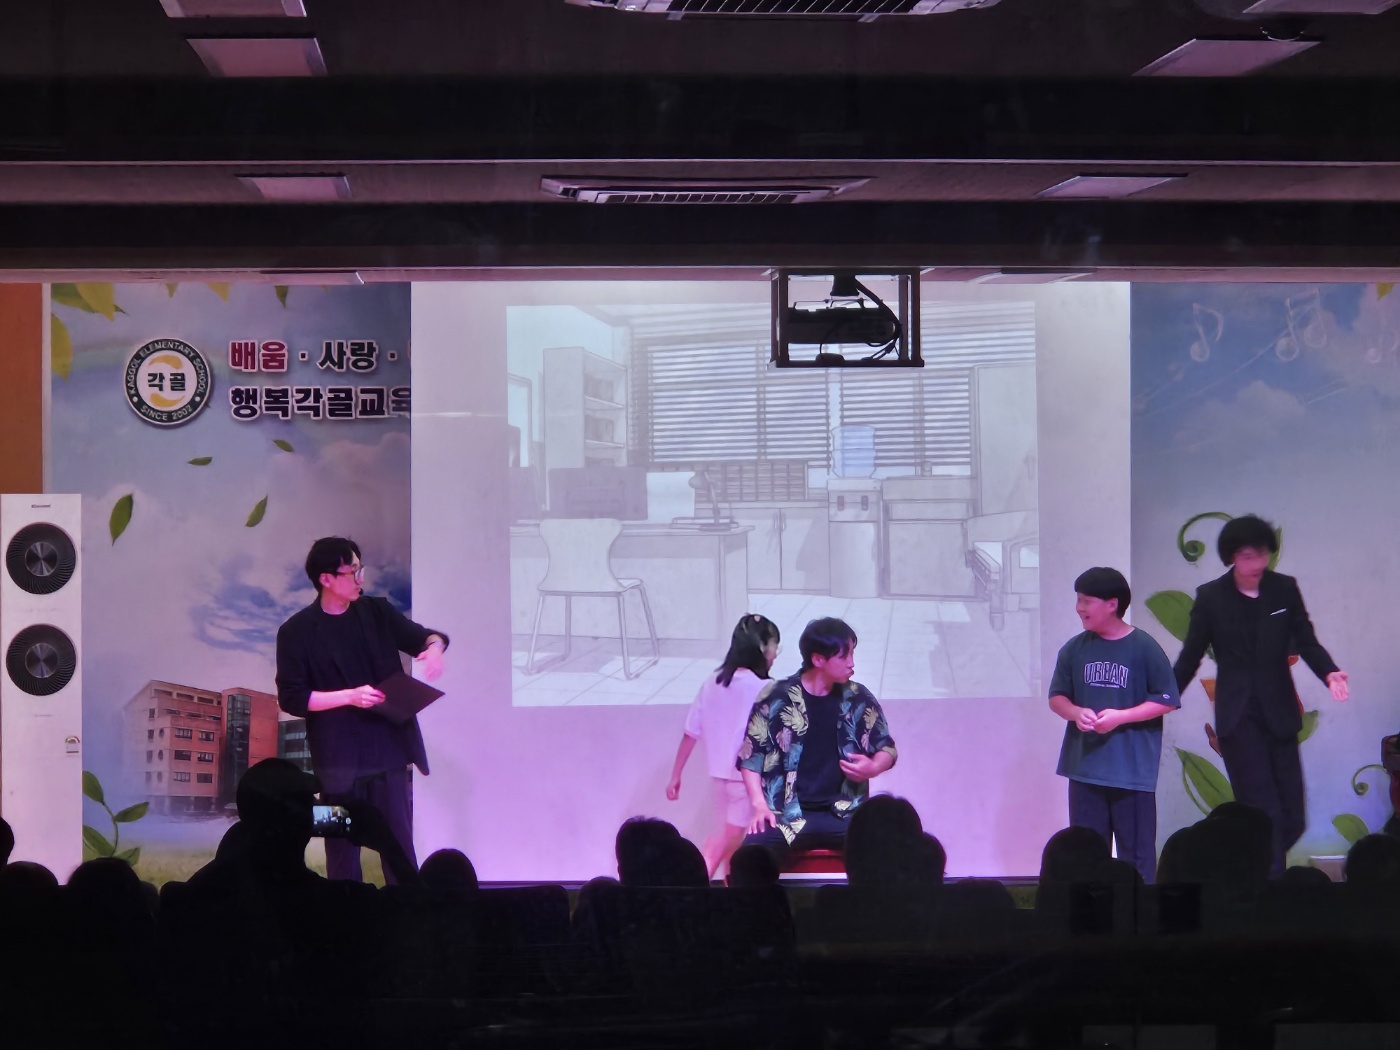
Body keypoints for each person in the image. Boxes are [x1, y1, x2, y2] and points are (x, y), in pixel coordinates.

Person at [1173, 515, 1349, 875]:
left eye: (1262, 554)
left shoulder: (1284, 588)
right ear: (1231, 557)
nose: (1256, 563)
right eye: (1247, 556)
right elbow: (1191, 655)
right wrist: (1164, 696)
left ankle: (1253, 873)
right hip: (1238, 718)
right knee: (1264, 813)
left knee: (1293, 817)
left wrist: (1330, 673)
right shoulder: (1211, 597)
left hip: (1279, 713)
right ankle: (1270, 892)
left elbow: (1306, 640)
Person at [275, 537, 448, 883]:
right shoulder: (295, 631)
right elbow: (291, 698)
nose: (360, 579)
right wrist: (348, 697)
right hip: (334, 765)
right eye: (352, 572)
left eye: (360, 569)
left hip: (388, 755)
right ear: (326, 579)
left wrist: (434, 649)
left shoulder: (377, 612)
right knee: (340, 852)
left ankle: (408, 910)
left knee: (399, 848)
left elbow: (426, 637)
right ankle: (346, 915)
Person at [1049, 567, 1180, 883]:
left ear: (1112, 604)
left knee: (1136, 856)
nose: (1079, 608)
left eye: (1087, 601)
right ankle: (1090, 911)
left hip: (1131, 773)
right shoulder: (1074, 648)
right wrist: (1075, 712)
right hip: (1085, 769)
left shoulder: (1144, 647)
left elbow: (1167, 699)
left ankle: (1139, 910)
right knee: (1085, 855)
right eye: (1078, 600)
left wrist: (1120, 717)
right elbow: (1057, 698)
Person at [737, 617, 896, 866]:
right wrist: (759, 805)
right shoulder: (776, 695)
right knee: (751, 856)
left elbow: (886, 748)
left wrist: (874, 767)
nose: (851, 663)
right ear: (818, 659)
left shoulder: (858, 697)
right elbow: (750, 758)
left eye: (852, 654)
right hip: (785, 814)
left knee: (890, 847)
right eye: (844, 656)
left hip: (845, 814)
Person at [666, 613, 781, 877]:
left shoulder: (713, 681)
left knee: (732, 848)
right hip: (747, 781)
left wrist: (676, 775)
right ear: (762, 648)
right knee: (720, 844)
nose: (775, 654)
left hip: (719, 779)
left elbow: (690, 732)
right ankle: (693, 890)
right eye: (774, 647)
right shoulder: (766, 687)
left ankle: (725, 893)